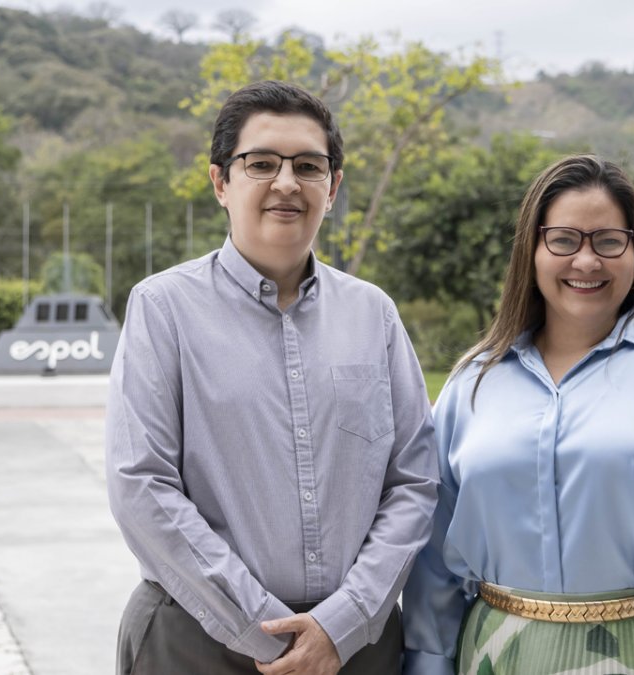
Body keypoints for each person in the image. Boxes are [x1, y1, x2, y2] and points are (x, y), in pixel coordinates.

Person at [402, 154, 634, 675]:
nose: (586, 261)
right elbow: (434, 552)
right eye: (563, 239)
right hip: (494, 655)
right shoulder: (474, 381)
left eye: (608, 241)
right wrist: (427, 659)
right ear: (531, 252)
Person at [106, 80, 439, 675]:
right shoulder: (163, 309)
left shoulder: (374, 315)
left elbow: (413, 481)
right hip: (196, 639)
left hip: (355, 647)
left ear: (332, 188)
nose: (286, 182)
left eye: (308, 166)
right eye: (261, 163)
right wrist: (270, 633)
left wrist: (340, 625)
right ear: (220, 182)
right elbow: (142, 485)